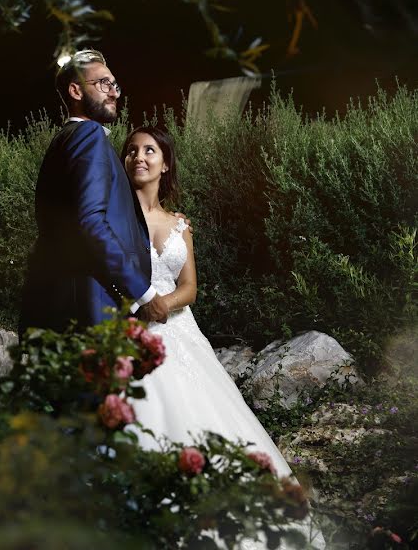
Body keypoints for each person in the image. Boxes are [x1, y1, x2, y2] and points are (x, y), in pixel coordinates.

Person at [120, 126, 325, 548]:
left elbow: (191, 286)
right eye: (131, 151)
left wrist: (164, 305)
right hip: (132, 330)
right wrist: (140, 308)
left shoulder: (180, 224)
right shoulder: (114, 219)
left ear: (165, 162)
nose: (139, 156)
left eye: (149, 150)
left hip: (178, 329)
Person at [19, 49, 170, 337]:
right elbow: (90, 222)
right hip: (91, 308)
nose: (113, 93)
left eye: (115, 85)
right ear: (75, 91)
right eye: (103, 84)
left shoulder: (63, 142)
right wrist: (144, 294)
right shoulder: (89, 137)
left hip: (61, 306)